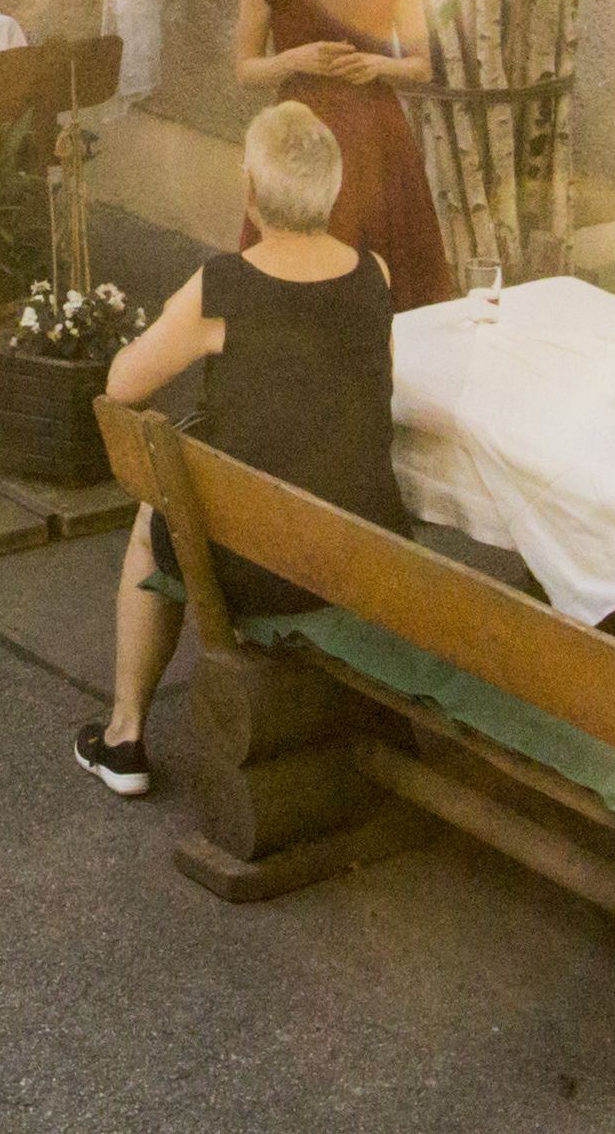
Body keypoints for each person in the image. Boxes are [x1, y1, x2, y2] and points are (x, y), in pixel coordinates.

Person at [72, 100, 402, 798]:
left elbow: (122, 384)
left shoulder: (224, 285)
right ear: (333, 187)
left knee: (155, 508)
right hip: (364, 559)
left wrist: (184, 317)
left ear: (249, 188)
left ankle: (125, 735)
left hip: (261, 569)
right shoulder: (373, 273)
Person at [236, 0, 456, 308]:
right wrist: (292, 60)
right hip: (296, 141)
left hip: (375, 142)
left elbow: (421, 66)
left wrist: (377, 64)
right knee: (295, 286)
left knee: (388, 286)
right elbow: (245, 70)